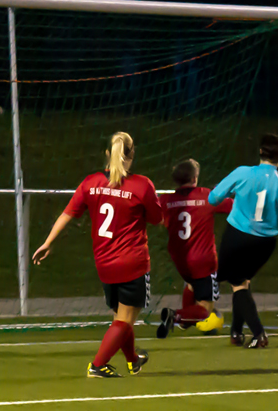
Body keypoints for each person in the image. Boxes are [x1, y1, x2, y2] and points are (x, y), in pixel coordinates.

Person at [32, 132, 163, 378]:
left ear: (106, 153)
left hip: (104, 263)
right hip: (132, 263)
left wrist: (48, 242)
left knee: (120, 317)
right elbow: (157, 219)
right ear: (132, 155)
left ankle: (133, 360)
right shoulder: (142, 185)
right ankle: (98, 365)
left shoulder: (91, 182)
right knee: (124, 320)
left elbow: (68, 213)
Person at [197, 133, 278, 347]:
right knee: (243, 282)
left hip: (238, 235)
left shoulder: (243, 173)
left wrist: (237, 194)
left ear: (260, 152)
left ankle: (258, 333)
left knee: (235, 283)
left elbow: (213, 198)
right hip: (265, 243)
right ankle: (236, 332)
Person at [157, 159, 233, 338]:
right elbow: (232, 206)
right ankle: (177, 316)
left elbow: (158, 220)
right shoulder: (207, 196)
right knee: (206, 310)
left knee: (191, 284)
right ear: (194, 178)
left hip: (181, 260)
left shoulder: (166, 200)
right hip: (204, 261)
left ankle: (184, 321)